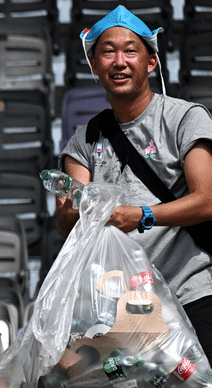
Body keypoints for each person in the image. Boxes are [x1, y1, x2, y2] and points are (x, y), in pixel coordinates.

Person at [57, 5, 212, 363]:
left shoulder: (185, 118)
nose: (119, 61)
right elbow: (67, 220)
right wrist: (70, 210)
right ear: (95, 66)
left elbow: (206, 201)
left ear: (151, 62)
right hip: (121, 309)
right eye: (107, 52)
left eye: (130, 50)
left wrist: (141, 215)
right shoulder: (86, 138)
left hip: (190, 292)